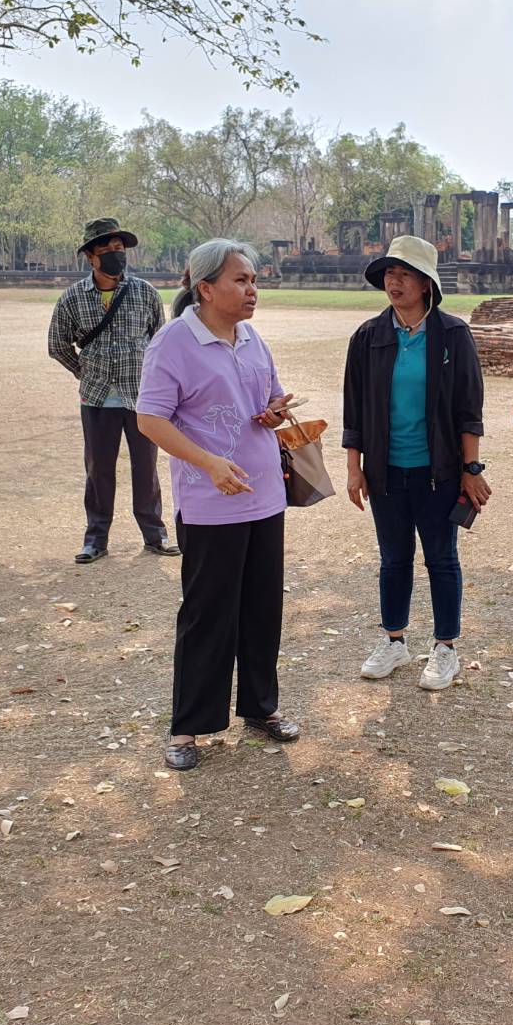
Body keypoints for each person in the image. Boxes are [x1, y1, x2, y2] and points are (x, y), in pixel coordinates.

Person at [135, 240, 300, 771]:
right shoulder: (174, 343)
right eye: (241, 281)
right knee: (209, 614)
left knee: (261, 607)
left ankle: (260, 707)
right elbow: (150, 419)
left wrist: (273, 413)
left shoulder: (252, 338)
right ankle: (188, 726)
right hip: (211, 502)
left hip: (264, 494)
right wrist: (208, 463)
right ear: (205, 288)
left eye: (254, 280)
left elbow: (265, 400)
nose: (252, 290)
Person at [341, 235, 489, 692]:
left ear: (426, 283)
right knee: (393, 559)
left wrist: (471, 469)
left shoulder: (452, 335)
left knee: (442, 559)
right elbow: (355, 409)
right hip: (386, 471)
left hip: (437, 472)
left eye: (404, 273)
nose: (394, 281)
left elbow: (469, 409)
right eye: (389, 272)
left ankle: (445, 647)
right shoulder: (368, 337)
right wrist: (354, 467)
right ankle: (394, 639)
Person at [48, 217, 179, 564]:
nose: (113, 254)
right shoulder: (72, 299)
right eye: (105, 249)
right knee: (98, 470)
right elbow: (57, 345)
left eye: (118, 248)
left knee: (146, 469)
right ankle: (96, 539)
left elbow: (158, 343)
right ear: (90, 257)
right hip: (97, 398)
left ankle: (155, 534)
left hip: (142, 398)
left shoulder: (144, 293)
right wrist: (84, 372)